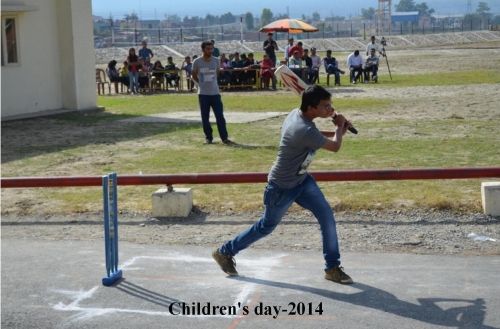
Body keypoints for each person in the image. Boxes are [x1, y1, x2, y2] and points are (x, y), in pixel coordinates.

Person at [212, 85, 354, 285]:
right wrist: (339, 127)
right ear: (312, 108)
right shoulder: (303, 128)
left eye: (330, 105)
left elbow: (316, 135)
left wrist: (337, 128)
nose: (330, 108)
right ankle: (224, 252)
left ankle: (332, 267)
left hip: (302, 181)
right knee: (265, 227)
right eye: (325, 106)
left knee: (327, 218)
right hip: (281, 187)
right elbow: (334, 146)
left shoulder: (298, 114)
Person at [192, 41, 231, 145]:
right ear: (203, 49)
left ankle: (224, 138)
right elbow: (193, 74)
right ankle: (208, 138)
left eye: (211, 48)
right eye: (208, 49)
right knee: (205, 117)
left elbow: (217, 73)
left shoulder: (216, 61)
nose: (210, 51)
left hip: (215, 93)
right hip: (203, 94)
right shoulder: (197, 61)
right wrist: (200, 83)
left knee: (220, 117)